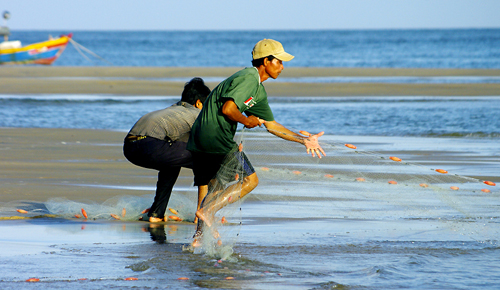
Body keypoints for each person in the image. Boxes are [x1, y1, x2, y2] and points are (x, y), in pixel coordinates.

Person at [187, 39, 326, 232]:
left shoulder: (258, 91)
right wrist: (247, 121)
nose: (282, 67)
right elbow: (229, 109)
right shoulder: (249, 77)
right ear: (266, 61)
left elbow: (271, 125)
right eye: (279, 61)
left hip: (198, 138)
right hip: (217, 138)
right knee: (251, 180)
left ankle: (198, 238)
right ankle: (208, 211)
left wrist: (303, 140)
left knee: (217, 188)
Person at [123, 77, 211, 223]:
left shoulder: (173, 110)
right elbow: (211, 139)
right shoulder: (197, 114)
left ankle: (156, 214)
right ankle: (201, 215)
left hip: (129, 147)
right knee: (204, 159)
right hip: (150, 145)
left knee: (172, 163)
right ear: (198, 103)